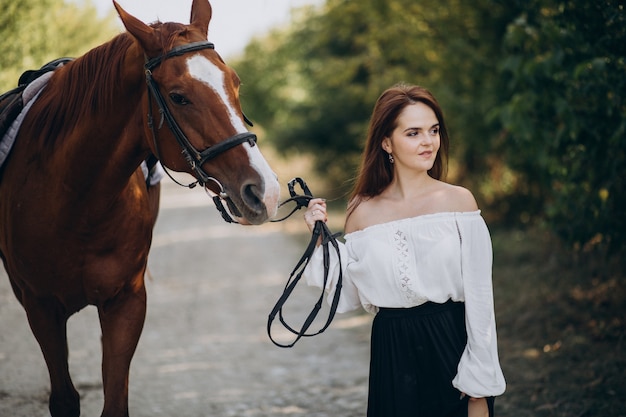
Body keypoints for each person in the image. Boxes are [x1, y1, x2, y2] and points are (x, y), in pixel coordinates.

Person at [302, 83, 506, 417]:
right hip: (391, 350)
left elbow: (481, 301)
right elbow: (348, 293)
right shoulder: (361, 211)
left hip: (450, 344)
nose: (429, 142)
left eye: (434, 130)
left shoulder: (458, 202)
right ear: (386, 142)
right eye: (414, 133)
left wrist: (479, 389)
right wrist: (319, 238)